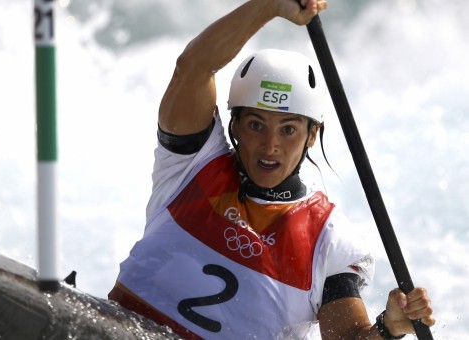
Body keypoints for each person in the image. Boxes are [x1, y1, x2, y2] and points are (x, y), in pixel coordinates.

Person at [108, 0, 435, 339]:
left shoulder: (329, 240)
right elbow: (192, 68)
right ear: (233, 125)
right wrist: (269, 5)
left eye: (289, 129)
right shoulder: (190, 164)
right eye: (256, 124)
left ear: (312, 136)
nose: (270, 145)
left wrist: (388, 327)